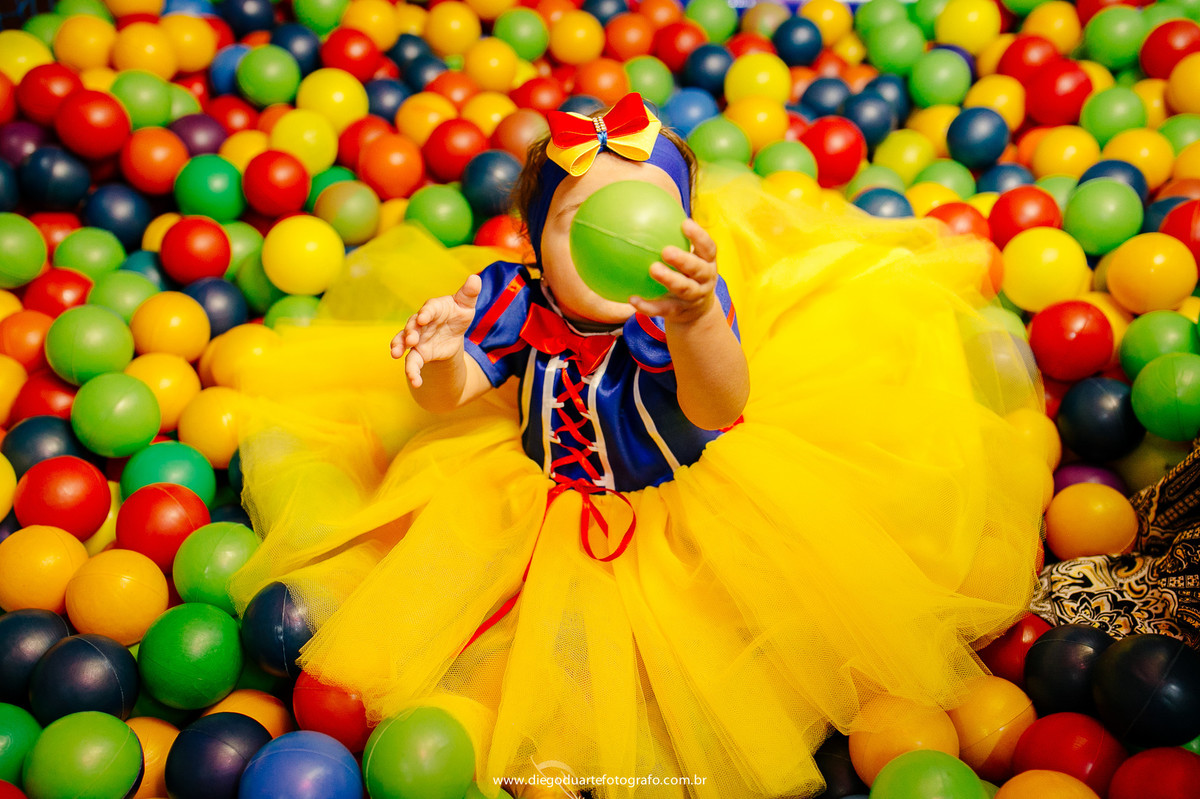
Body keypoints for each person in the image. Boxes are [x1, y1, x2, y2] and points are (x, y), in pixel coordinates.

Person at [228, 93, 1048, 798]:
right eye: (581, 222)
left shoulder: (681, 318)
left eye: (644, 217)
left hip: (685, 511)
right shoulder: (515, 297)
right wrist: (438, 361)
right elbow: (452, 396)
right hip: (531, 500)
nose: (619, 244)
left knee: (706, 664)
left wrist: (693, 320)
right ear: (534, 243)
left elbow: (721, 401)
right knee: (493, 656)